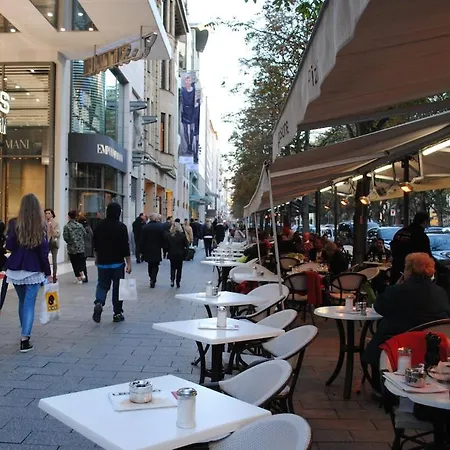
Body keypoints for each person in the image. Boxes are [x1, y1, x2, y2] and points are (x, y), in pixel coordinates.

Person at [363, 253, 450, 391]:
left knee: (378, 341)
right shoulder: (441, 292)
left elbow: (379, 307)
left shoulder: (397, 291)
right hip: (432, 345)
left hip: (400, 343)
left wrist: (396, 285)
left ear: (408, 270)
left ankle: (381, 387)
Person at [5, 194, 51, 352]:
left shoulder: (14, 223)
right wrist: (48, 272)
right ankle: (25, 338)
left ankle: (24, 330)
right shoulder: (40, 225)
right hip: (33, 269)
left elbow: (10, 246)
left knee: (22, 301)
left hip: (16, 269)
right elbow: (43, 252)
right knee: (29, 304)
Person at [92, 203, 131, 323]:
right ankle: (117, 313)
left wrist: (96, 258)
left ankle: (99, 302)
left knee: (102, 284)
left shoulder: (99, 225)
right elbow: (125, 246)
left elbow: (95, 244)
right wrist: (129, 263)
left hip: (102, 261)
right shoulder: (122, 227)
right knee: (118, 288)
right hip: (117, 263)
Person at [390, 212, 431, 284]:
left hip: (396, 269)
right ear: (425, 222)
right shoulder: (421, 236)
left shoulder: (401, 232)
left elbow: (393, 247)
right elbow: (427, 255)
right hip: (411, 273)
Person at [141, 213, 165, 288]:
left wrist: (141, 250)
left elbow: (142, 240)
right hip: (157, 248)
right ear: (156, 218)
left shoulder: (145, 227)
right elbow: (163, 238)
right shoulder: (160, 227)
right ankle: (153, 278)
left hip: (148, 248)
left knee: (150, 264)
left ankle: (151, 277)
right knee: (156, 265)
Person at [63, 210, 87, 284]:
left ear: (69, 217)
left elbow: (66, 237)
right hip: (81, 247)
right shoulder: (80, 225)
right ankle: (82, 272)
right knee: (81, 261)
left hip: (72, 247)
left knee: (74, 263)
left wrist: (70, 241)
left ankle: (78, 278)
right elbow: (85, 234)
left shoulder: (67, 226)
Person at [167, 222, 189, 288]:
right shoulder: (182, 235)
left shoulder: (170, 235)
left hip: (172, 253)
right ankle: (178, 281)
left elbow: (167, 245)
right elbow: (186, 245)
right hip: (180, 254)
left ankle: (172, 280)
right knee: (179, 268)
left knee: (172, 267)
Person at [44, 209, 60, 283]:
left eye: (49, 213)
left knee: (54, 260)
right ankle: (46, 275)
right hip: (46, 243)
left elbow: (57, 234)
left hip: (53, 243)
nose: (47, 215)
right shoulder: (44, 223)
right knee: (44, 258)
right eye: (46, 213)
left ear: (52, 214)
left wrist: (51, 228)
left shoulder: (56, 223)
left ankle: (54, 276)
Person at [77, 215, 93, 283]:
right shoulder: (87, 227)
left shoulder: (84, 228)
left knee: (82, 263)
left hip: (83, 247)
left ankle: (84, 277)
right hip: (87, 247)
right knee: (82, 263)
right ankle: (84, 276)